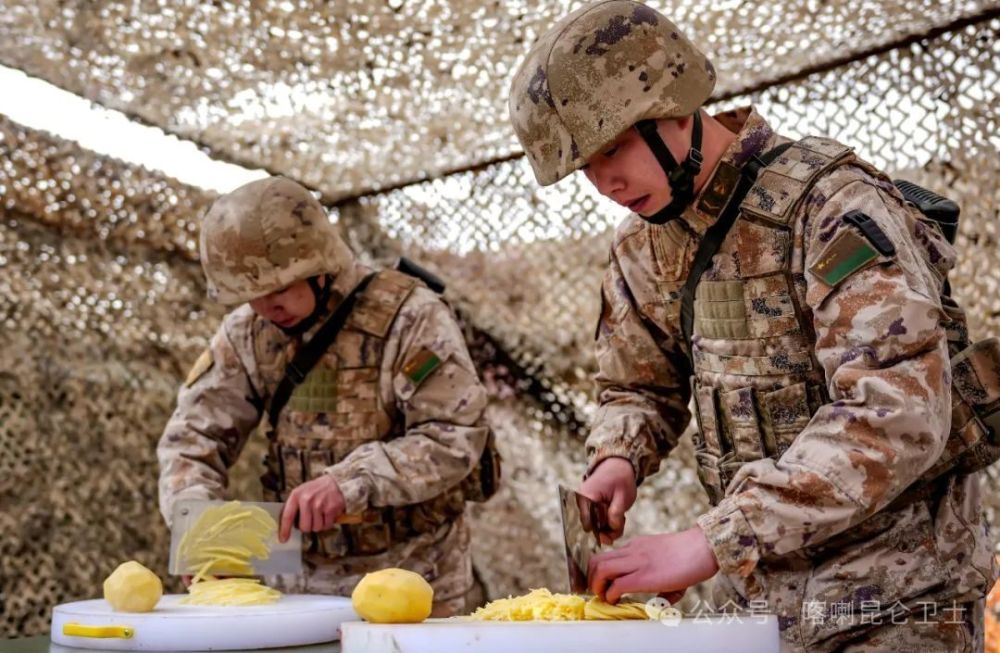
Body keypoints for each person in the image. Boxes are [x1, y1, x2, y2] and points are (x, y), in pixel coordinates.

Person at [508, 1, 998, 650]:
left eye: (614, 146)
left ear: (675, 106)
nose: (604, 181)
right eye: (585, 166)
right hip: (765, 598)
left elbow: (897, 406)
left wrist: (714, 538)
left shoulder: (827, 204)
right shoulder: (643, 247)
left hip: (894, 601)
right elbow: (637, 386)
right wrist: (618, 457)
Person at [157, 176, 497, 616]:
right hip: (298, 593)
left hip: (416, 582)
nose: (265, 308)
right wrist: (202, 535)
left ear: (320, 265)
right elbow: (191, 441)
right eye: (250, 295)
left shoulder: (410, 316)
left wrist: (352, 481)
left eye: (279, 288)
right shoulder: (247, 333)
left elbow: (455, 436)